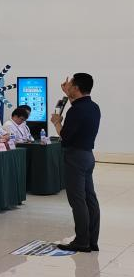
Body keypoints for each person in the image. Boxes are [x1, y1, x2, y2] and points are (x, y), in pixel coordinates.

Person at [50, 73, 101, 252]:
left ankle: (81, 241)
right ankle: (92, 240)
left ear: (77, 88)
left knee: (77, 200)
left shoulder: (75, 111)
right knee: (90, 199)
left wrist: (57, 122)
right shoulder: (93, 107)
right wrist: (67, 94)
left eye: (70, 85)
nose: (67, 87)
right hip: (87, 156)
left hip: (75, 157)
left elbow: (65, 136)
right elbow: (77, 107)